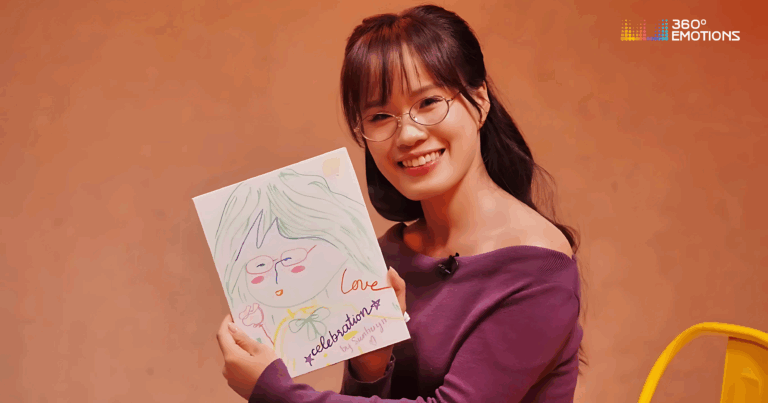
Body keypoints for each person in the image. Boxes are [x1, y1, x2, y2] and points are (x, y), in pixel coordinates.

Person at [216, 4, 586, 402]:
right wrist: (371, 365)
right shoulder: (386, 257)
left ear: (479, 100)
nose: (408, 135)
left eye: (428, 102)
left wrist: (273, 391)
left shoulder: (538, 269)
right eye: (380, 116)